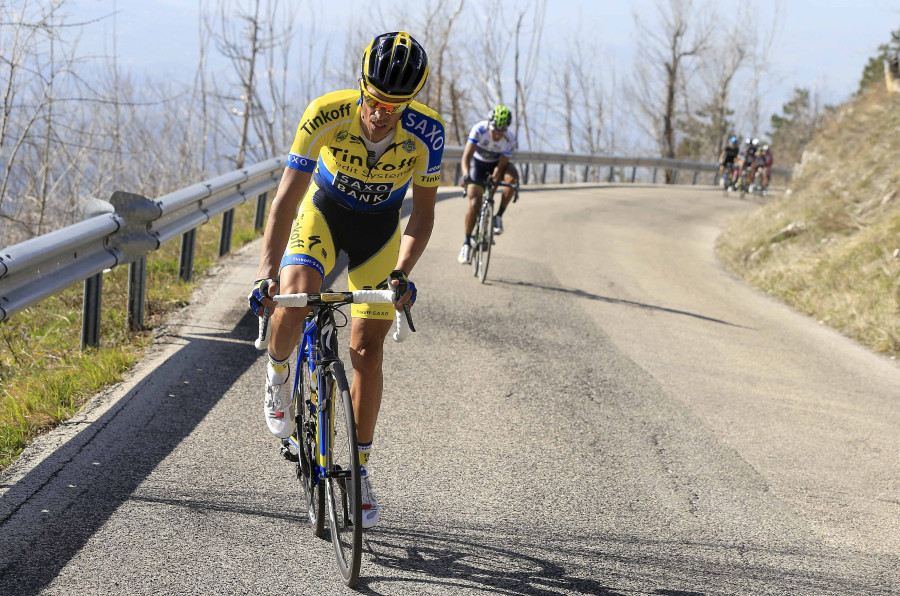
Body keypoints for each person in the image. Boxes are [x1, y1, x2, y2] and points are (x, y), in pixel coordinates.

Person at [248, 31, 444, 529]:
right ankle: (277, 376)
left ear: (410, 102)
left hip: (379, 232)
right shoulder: (325, 114)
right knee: (293, 301)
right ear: (361, 86)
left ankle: (357, 472)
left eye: (394, 105)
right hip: (324, 214)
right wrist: (266, 276)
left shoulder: (428, 135)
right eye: (374, 100)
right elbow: (286, 199)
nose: (381, 112)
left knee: (367, 350)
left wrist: (402, 273)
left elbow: (421, 217)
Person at [457, 105, 519, 264]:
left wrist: (494, 182)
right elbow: (466, 157)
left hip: (496, 165)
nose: (498, 136)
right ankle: (466, 242)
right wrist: (465, 174)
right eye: (495, 131)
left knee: (512, 179)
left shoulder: (509, 139)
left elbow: (500, 167)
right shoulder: (479, 130)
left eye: (501, 132)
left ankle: (498, 216)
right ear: (489, 125)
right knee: (475, 203)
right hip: (478, 165)